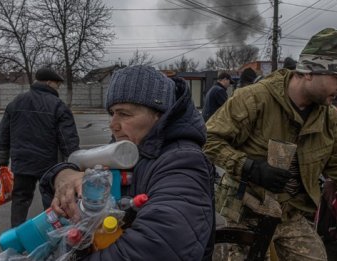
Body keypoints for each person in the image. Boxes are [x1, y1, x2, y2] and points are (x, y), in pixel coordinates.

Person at [204, 27, 337, 260]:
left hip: (290, 216)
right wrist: (248, 166)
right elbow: (208, 140)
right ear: (308, 72)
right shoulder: (254, 99)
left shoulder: (328, 118)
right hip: (244, 216)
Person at [39, 65, 215, 260]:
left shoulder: (183, 162)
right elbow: (84, 166)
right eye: (112, 113)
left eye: (124, 114)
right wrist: (64, 174)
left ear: (159, 115)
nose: (112, 125)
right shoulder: (133, 148)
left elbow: (159, 247)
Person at [0, 67, 80, 227]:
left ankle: (17, 236)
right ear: (49, 82)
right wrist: (74, 164)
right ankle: (52, 235)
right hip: (48, 164)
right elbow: (67, 139)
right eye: (57, 84)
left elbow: (3, 134)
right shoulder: (58, 106)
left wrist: (2, 161)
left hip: (22, 162)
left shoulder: (16, 102)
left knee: (20, 199)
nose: (58, 88)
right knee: (50, 201)